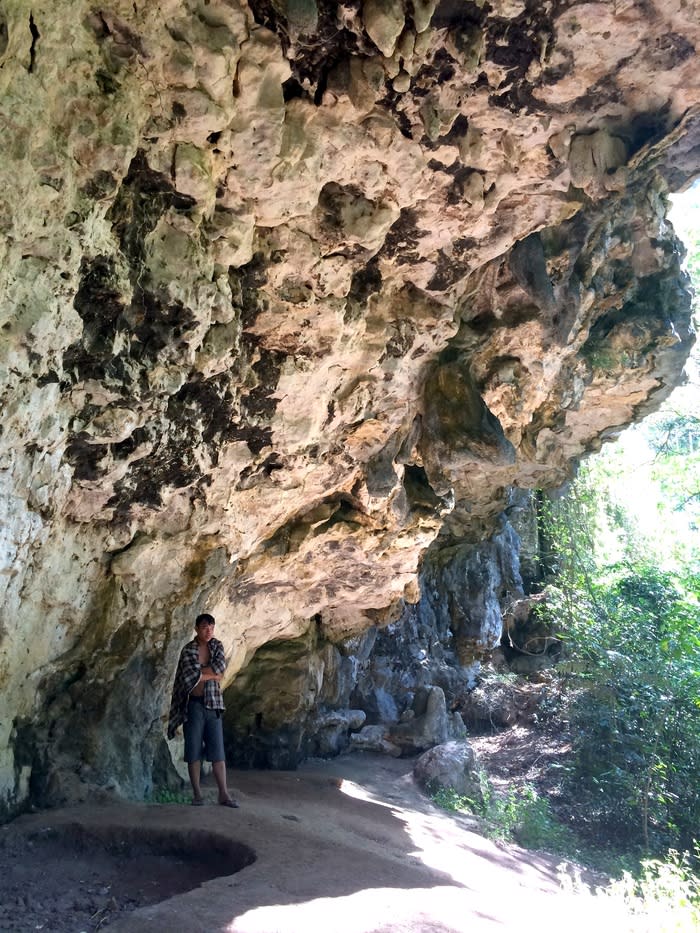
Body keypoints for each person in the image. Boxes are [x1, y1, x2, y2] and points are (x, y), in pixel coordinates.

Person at [167, 612, 239, 807]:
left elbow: (220, 668)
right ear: (196, 629)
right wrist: (211, 675)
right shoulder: (188, 650)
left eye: (211, 628)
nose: (209, 631)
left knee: (218, 752)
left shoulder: (217, 646)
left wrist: (203, 673)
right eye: (205, 628)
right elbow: (189, 677)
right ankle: (197, 795)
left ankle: (224, 794)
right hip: (194, 704)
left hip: (213, 704)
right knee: (193, 751)